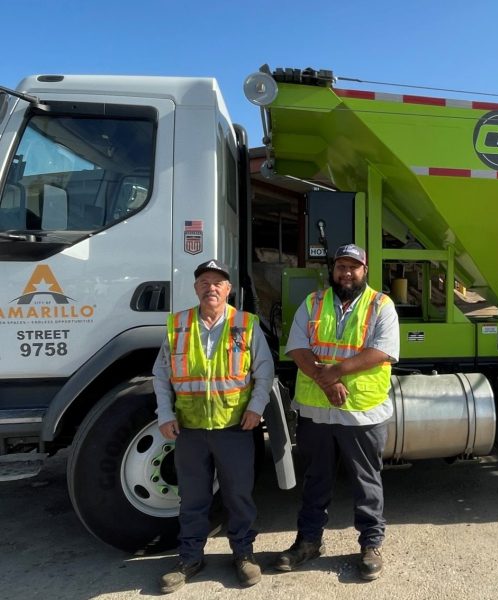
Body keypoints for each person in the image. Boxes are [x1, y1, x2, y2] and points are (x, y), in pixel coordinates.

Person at [274, 243, 399, 581]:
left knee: (366, 480)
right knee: (316, 478)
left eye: (353, 267)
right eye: (341, 266)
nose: (346, 273)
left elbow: (381, 351)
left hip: (362, 412)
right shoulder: (313, 303)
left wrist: (335, 372)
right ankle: (309, 541)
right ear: (332, 270)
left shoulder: (381, 305)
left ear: (365, 270)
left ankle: (371, 544)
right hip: (318, 410)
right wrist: (327, 382)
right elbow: (297, 348)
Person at [153, 259, 273, 594]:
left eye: (218, 283)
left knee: (238, 495)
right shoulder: (178, 325)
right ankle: (190, 557)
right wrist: (165, 414)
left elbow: (264, 371)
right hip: (189, 430)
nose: (211, 288)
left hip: (234, 427)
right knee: (192, 497)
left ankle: (243, 554)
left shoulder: (245, 324)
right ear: (196, 288)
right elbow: (161, 375)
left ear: (228, 289)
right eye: (204, 282)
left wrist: (256, 408)